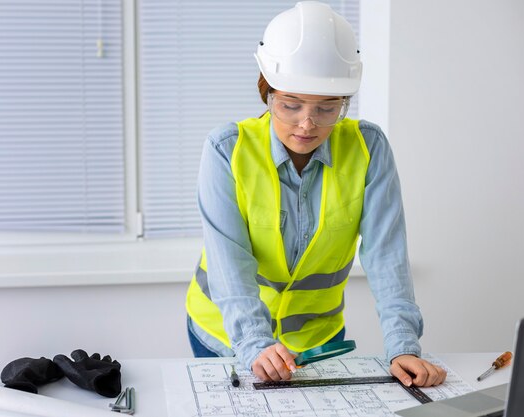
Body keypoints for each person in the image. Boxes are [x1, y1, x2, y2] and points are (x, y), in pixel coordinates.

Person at [185, 1, 447, 387]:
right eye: (291, 105)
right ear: (267, 94)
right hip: (225, 336)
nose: (307, 124)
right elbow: (229, 261)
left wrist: (402, 345)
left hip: (318, 342)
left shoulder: (368, 148)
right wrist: (255, 342)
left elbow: (387, 255)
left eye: (327, 108)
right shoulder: (227, 149)